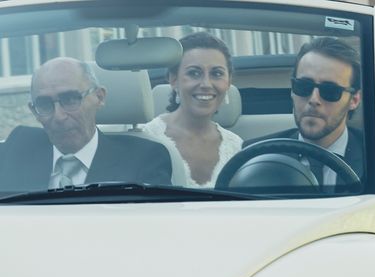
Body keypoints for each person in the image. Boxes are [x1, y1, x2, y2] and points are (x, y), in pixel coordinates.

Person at [0, 57, 172, 192]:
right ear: (33, 110)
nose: (59, 116)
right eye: (44, 104)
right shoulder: (17, 146)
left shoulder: (144, 159)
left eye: (70, 99)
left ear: (99, 97)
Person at [245, 36, 364, 188]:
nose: (314, 99)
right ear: (292, 91)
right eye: (303, 86)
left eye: (330, 91)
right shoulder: (256, 155)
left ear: (354, 100)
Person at [143, 32, 243, 188]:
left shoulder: (236, 146)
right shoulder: (146, 138)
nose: (206, 84)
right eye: (194, 73)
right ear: (173, 80)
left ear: (229, 81)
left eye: (216, 74)